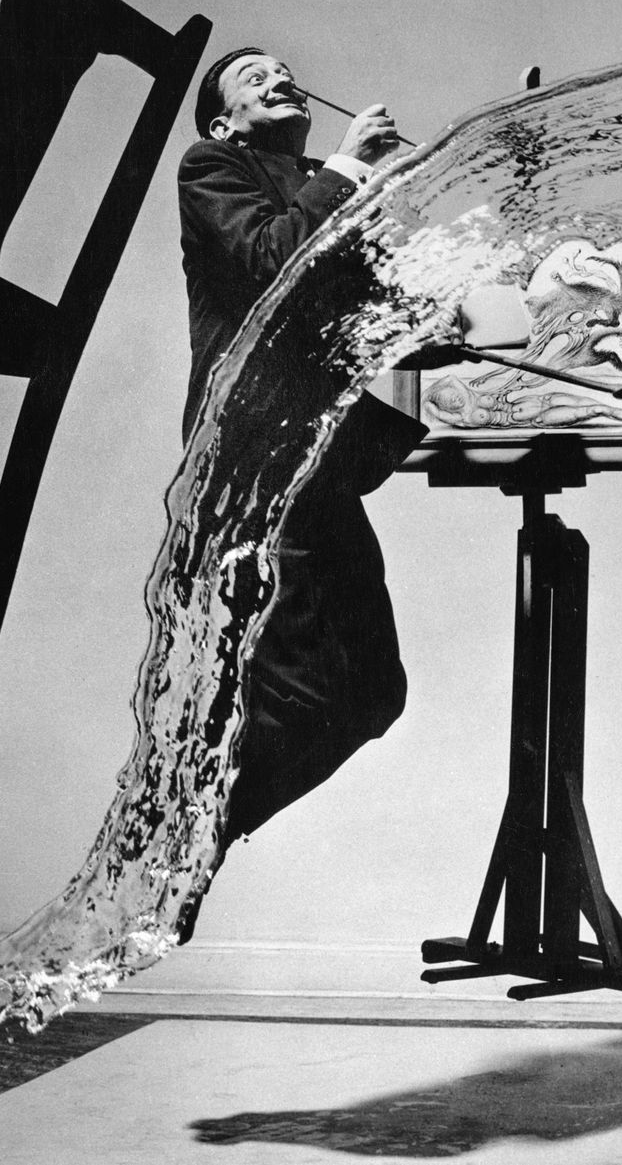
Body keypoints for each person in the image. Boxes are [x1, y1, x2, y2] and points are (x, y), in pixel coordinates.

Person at [174, 46, 451, 936]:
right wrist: (347, 167)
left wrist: (446, 313)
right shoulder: (211, 168)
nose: (276, 75)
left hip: (317, 463)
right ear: (225, 122)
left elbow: (361, 319)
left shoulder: (324, 195)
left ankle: (194, 825)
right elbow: (272, 260)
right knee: (298, 686)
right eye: (251, 75)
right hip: (256, 459)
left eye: (280, 67)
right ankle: (185, 834)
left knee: (372, 691)